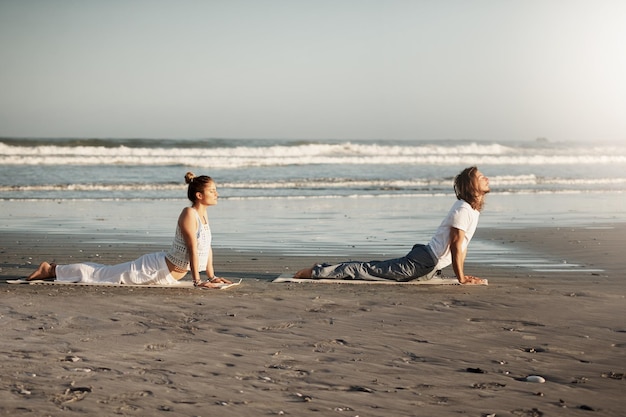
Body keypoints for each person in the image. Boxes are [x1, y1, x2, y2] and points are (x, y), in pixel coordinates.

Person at [26, 172, 232, 288]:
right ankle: (51, 269)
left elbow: (207, 248)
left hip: (164, 272)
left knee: (105, 272)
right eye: (212, 191)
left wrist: (212, 277)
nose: (217, 194)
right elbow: (193, 250)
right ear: (198, 195)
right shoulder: (188, 213)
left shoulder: (203, 216)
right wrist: (197, 281)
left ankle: (55, 269)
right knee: (101, 274)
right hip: (154, 269)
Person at [294, 166, 490, 285]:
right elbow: (456, 245)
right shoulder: (463, 209)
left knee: (375, 269)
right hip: (422, 262)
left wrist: (461, 275)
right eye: (481, 177)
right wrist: (461, 278)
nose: (486, 178)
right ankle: (317, 271)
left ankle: (321, 270)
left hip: (427, 263)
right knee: (368, 270)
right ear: (471, 187)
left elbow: (461, 247)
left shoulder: (471, 211)